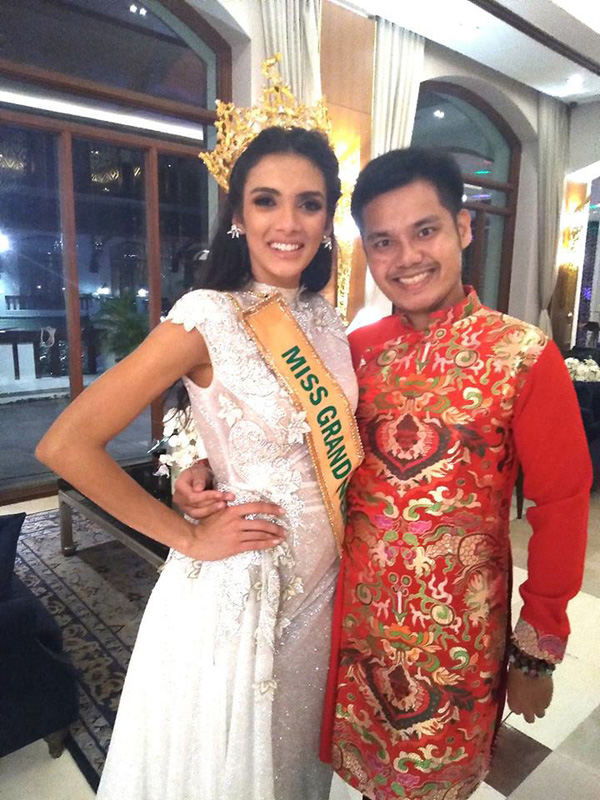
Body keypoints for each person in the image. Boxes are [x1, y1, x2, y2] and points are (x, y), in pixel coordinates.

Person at [176, 147, 591, 800]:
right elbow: (291, 436)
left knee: (438, 782)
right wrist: (202, 465)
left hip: (458, 637)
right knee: (363, 779)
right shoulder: (355, 352)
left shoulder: (523, 355)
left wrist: (536, 653)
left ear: (463, 228)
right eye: (383, 242)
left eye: (425, 231)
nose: (407, 258)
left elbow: (562, 505)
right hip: (354, 628)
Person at [36, 125, 363, 800]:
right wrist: (185, 534)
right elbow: (66, 444)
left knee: (295, 765)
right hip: (248, 588)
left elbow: (260, 421)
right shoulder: (207, 315)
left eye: (308, 203)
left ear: (328, 218)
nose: (288, 223)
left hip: (325, 584)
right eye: (266, 200)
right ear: (238, 214)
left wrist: (199, 459)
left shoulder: (326, 317)